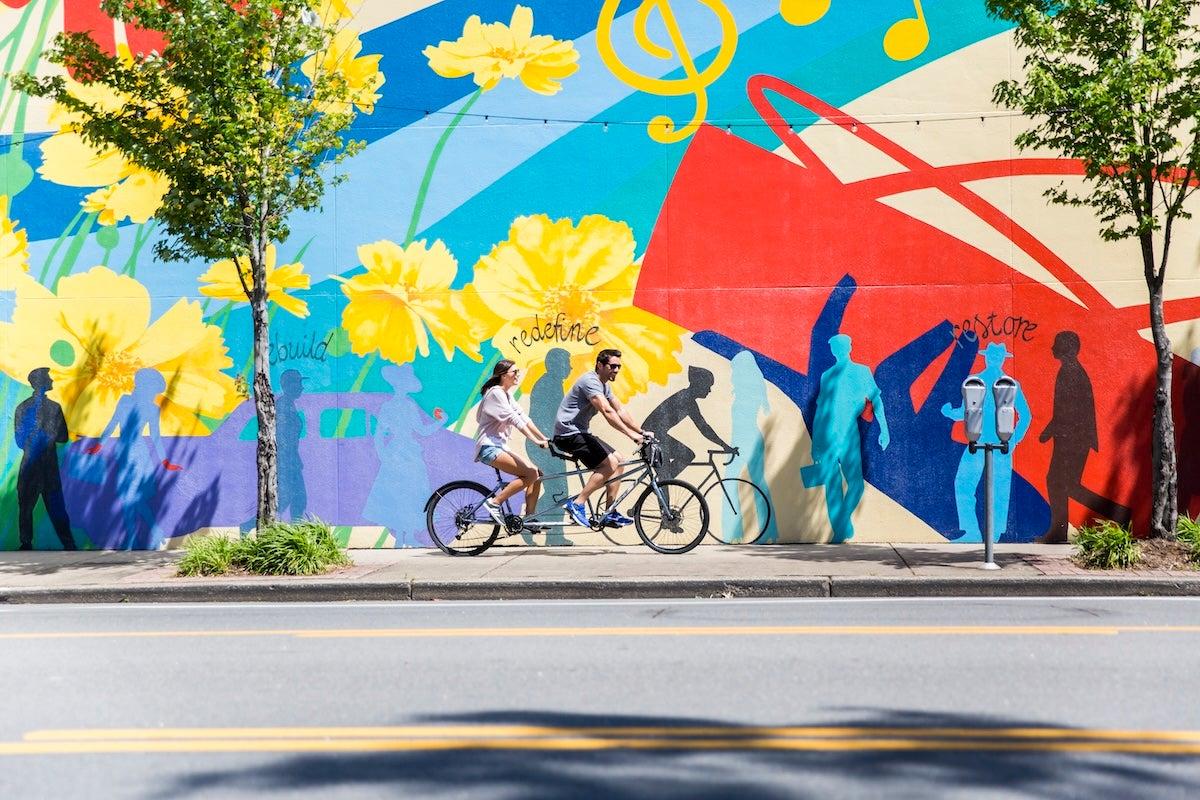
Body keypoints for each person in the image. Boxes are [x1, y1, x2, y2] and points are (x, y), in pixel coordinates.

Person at [801, 333, 890, 542]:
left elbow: (876, 400)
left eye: (839, 346)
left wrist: (884, 429)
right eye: (835, 347)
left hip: (842, 435)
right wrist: (816, 444)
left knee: (849, 484)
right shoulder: (828, 376)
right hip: (837, 435)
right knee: (839, 484)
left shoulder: (857, 372)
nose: (837, 350)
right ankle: (840, 529)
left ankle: (840, 525)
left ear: (847, 348)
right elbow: (822, 411)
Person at [552, 348, 652, 528]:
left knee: (619, 461)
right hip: (568, 434)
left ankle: (609, 512)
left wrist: (641, 431)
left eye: (618, 367)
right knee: (608, 464)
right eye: (613, 366)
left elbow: (620, 410)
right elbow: (607, 411)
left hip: (580, 432)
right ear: (600, 365)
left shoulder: (604, 385)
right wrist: (632, 436)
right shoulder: (590, 381)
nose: (616, 370)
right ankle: (577, 503)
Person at [474, 359, 551, 527]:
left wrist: (543, 437)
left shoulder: (506, 395)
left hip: (499, 446)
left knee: (537, 474)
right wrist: (535, 440)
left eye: (518, 372)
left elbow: (523, 417)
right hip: (489, 447)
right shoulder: (495, 393)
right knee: (530, 475)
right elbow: (513, 418)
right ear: (503, 375)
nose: (517, 375)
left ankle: (529, 518)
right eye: (514, 372)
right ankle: (494, 502)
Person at [13, 368, 76, 551]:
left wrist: (38, 436)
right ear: (40, 382)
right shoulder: (50, 408)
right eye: (48, 377)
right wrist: (47, 435)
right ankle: (67, 543)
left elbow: (20, 441)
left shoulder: (23, 408)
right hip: (43, 467)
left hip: (34, 467)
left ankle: (30, 543)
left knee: (33, 507)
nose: (52, 380)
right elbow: (62, 436)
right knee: (34, 507)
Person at [643, 366, 731, 481]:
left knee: (679, 463)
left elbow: (703, 427)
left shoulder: (687, 398)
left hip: (655, 435)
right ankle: (662, 481)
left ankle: (662, 481)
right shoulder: (685, 399)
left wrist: (724, 445)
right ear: (699, 384)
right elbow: (703, 427)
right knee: (684, 457)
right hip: (653, 436)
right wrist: (724, 446)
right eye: (708, 386)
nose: (709, 390)